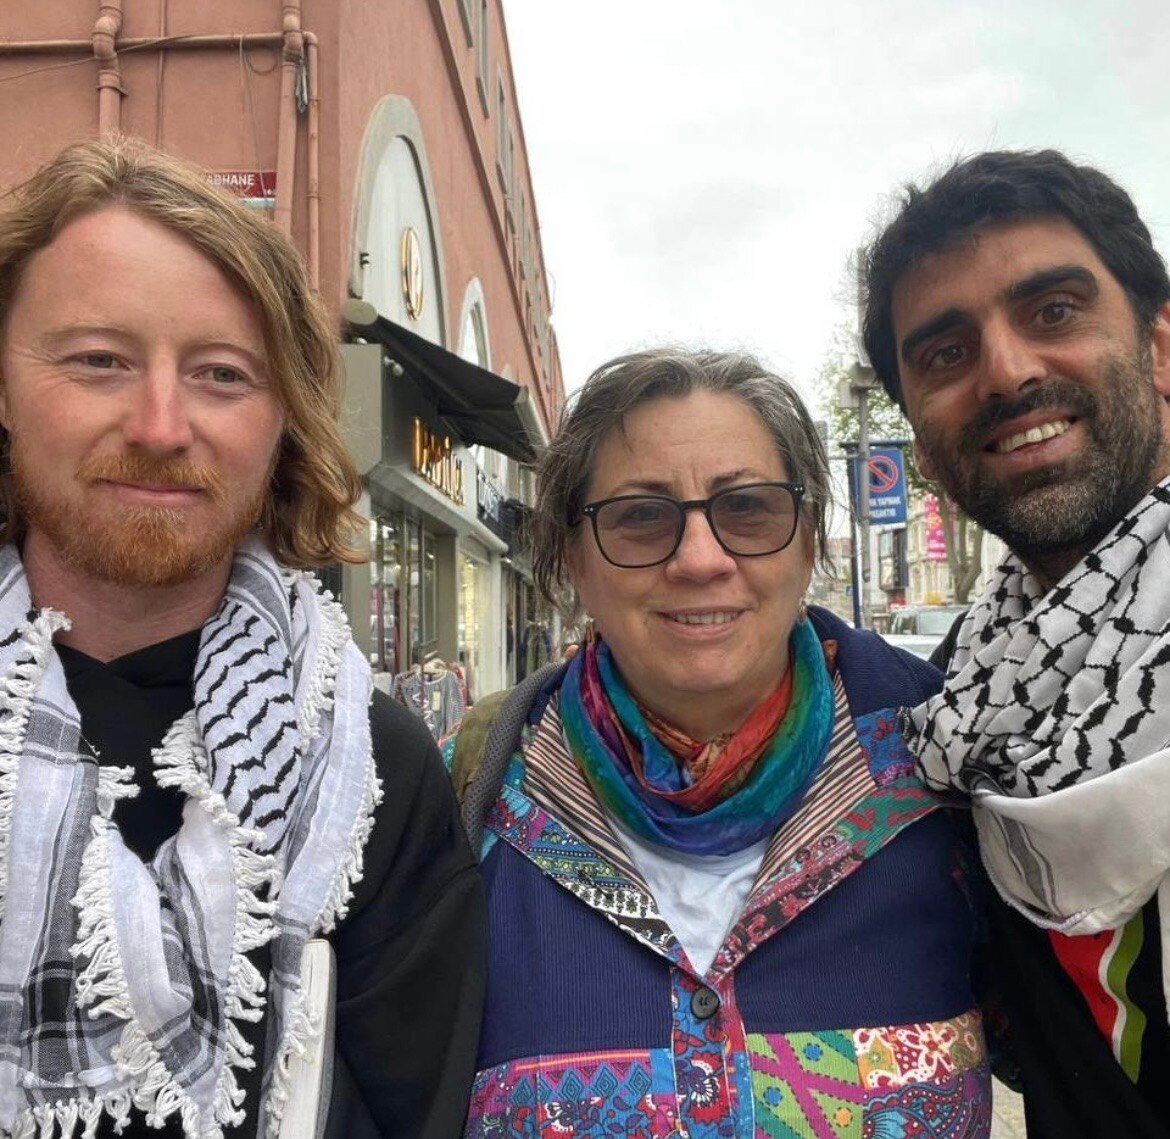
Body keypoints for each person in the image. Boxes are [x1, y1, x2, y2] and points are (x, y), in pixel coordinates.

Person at [0, 137, 484, 1139]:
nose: (162, 423)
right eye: (100, 359)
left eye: (222, 374)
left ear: (282, 424)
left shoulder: (373, 773)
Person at [447, 348, 992, 1137]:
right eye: (639, 516)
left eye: (749, 508)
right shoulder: (468, 795)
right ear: (572, 560)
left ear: (808, 543)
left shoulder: (946, 765)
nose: (701, 559)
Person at [861, 148, 1170, 1137]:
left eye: (1054, 311)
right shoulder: (961, 700)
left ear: (1162, 350)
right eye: (945, 353)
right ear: (919, 433)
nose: (1007, 371)